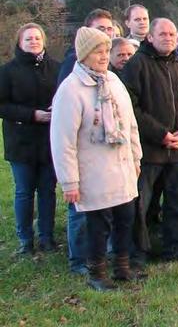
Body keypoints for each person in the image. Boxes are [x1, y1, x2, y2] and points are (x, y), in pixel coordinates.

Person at [50, 27, 143, 291]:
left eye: (106, 51)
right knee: (99, 225)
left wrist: (136, 157)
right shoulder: (71, 89)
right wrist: (69, 181)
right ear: (84, 55)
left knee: (126, 218)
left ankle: (122, 267)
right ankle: (97, 272)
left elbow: (130, 124)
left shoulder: (114, 81)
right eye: (98, 52)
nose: (104, 57)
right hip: (94, 171)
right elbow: (62, 140)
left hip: (123, 167)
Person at [120, 18, 178, 263]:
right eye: (162, 34)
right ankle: (138, 251)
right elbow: (131, 107)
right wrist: (160, 134)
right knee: (141, 203)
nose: (168, 38)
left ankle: (174, 247)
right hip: (149, 149)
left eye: (172, 34)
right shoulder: (136, 65)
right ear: (150, 37)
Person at [56, 9, 117, 275]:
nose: (106, 35)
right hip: (82, 155)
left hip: (105, 156)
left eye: (108, 30)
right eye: (100, 29)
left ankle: (100, 255)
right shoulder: (71, 79)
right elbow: (64, 134)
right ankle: (78, 259)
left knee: (103, 211)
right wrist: (69, 178)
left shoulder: (108, 75)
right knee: (79, 210)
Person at [1, 23, 60, 255]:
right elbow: (2, 105)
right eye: (28, 39)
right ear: (19, 43)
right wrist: (32, 115)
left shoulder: (55, 68)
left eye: (37, 38)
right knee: (24, 191)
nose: (33, 42)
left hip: (48, 140)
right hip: (21, 141)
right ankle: (25, 238)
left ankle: (46, 237)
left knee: (48, 190)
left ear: (43, 41)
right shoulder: (7, 71)